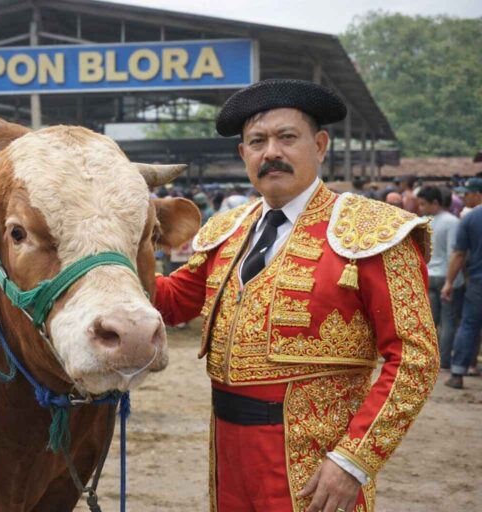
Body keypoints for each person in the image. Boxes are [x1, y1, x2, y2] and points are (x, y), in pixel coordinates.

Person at [154, 79, 438, 512]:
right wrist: (106, 258)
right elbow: (172, 301)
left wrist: (353, 460)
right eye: (257, 141)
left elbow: (415, 357)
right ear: (243, 155)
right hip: (228, 450)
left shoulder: (371, 231)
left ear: (320, 145)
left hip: (315, 462)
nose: (271, 152)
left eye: (287, 138)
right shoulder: (227, 230)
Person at [417, 186, 464, 370]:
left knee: (430, 321)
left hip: (429, 275)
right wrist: (452, 281)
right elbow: (454, 251)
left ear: (435, 203)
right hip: (446, 275)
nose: (420, 208)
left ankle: (428, 359)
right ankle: (443, 360)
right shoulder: (452, 222)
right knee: (448, 321)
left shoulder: (421, 222)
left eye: (423, 204)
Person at [442, 177, 482, 389]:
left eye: (467, 194)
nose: (463, 198)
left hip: (478, 281)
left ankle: (457, 373)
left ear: (478, 194)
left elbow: (458, 254)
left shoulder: (470, 218)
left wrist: (449, 282)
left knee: (469, 325)